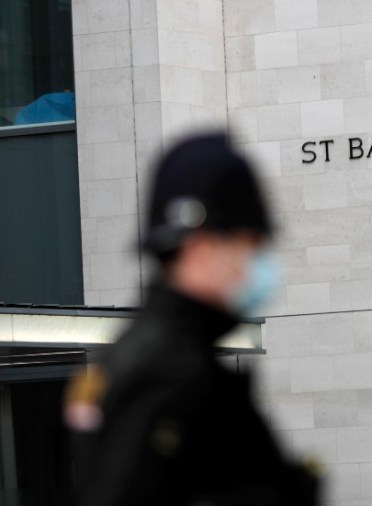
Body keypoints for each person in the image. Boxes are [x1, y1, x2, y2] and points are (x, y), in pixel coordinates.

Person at [65, 132, 321, 505]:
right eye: (251, 244)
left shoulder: (151, 360)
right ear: (201, 246)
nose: (262, 262)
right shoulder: (172, 375)